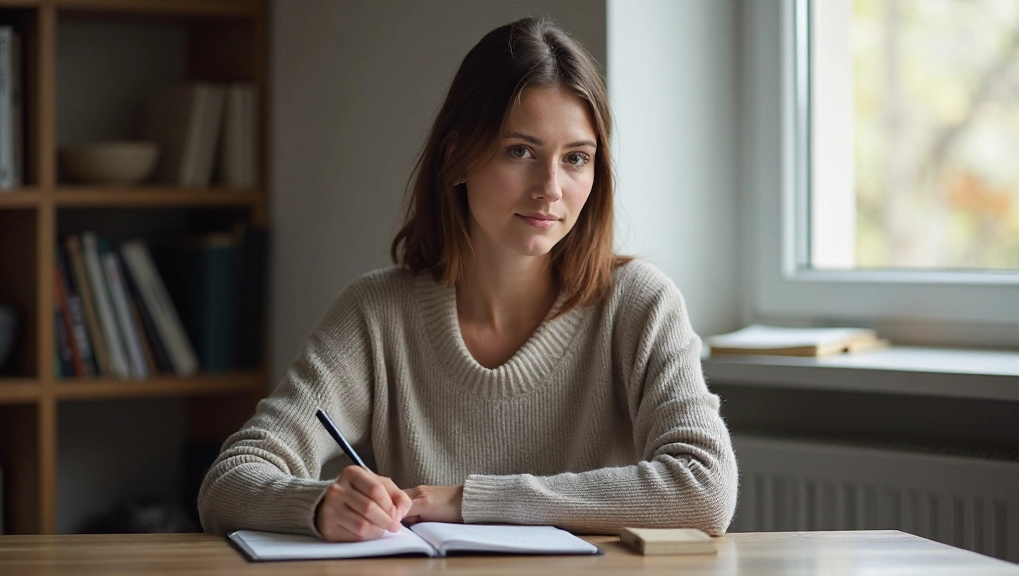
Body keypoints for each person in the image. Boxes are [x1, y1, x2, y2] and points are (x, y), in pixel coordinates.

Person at [198, 17, 738, 542]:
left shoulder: (640, 305)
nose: (550, 187)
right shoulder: (376, 314)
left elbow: (707, 488)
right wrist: (318, 506)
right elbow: (229, 481)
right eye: (520, 151)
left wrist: (470, 501)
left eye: (576, 158)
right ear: (457, 155)